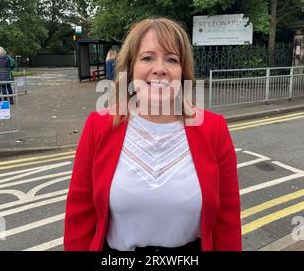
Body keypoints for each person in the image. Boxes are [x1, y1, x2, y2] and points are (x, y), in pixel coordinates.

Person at [64, 18, 242, 252]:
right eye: (147, 58)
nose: (160, 68)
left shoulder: (213, 128)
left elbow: (226, 220)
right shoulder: (98, 126)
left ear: (182, 72)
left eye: (171, 59)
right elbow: (79, 215)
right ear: (130, 68)